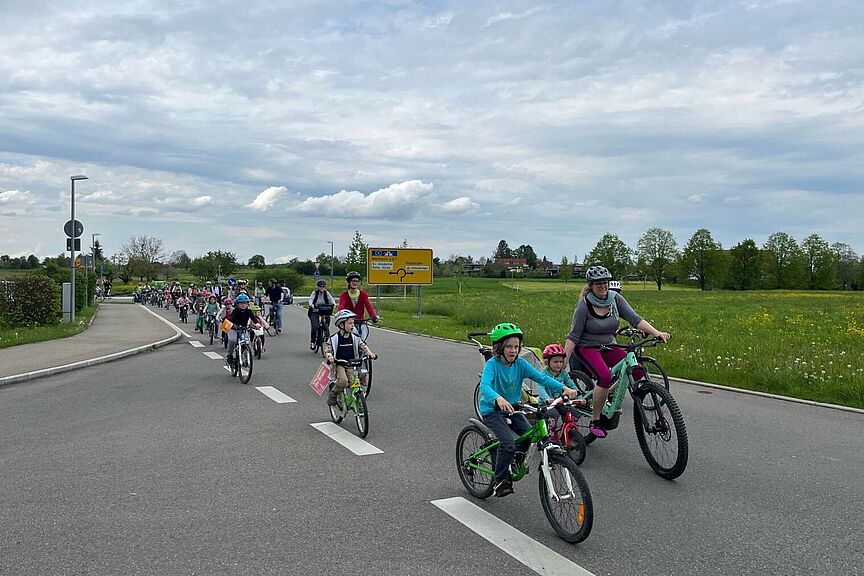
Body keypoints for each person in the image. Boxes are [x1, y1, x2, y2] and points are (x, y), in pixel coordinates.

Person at [563, 265, 670, 439]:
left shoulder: (615, 299)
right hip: (587, 347)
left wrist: (656, 332)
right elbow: (574, 335)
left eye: (605, 282)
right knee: (604, 376)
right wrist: (564, 360)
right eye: (598, 283)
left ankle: (607, 393)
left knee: (636, 370)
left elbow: (635, 319)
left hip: (609, 345)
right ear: (591, 285)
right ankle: (596, 420)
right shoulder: (584, 304)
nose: (603, 286)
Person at [478, 323, 579, 498]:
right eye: (508, 346)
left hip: (514, 408)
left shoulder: (520, 364)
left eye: (516, 346)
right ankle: (500, 481)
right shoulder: (492, 365)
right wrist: (498, 398)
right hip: (492, 409)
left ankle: (513, 457)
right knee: (508, 442)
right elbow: (485, 385)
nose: (513, 350)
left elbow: (542, 378)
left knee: (529, 435)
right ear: (499, 348)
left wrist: (563, 388)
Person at [324, 310, 378, 407]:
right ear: (341, 325)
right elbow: (327, 350)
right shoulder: (334, 338)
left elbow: (363, 345)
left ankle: (358, 402)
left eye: (353, 323)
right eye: (350, 323)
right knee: (343, 381)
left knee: (354, 383)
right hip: (339, 364)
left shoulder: (355, 337)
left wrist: (370, 353)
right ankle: (333, 394)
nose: (352, 325)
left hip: (351, 364)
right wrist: (330, 357)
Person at [337, 271, 379, 339]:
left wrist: (373, 316)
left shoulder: (363, 294)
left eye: (357, 281)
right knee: (350, 338)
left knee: (363, 339)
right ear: (349, 282)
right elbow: (341, 307)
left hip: (360, 321)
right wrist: (340, 315)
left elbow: (368, 306)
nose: (355, 283)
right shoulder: (344, 295)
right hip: (349, 321)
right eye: (353, 281)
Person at [224, 294, 261, 367]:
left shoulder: (248, 311)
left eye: (245, 303)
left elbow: (254, 319)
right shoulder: (235, 311)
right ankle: (229, 356)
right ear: (237, 304)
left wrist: (257, 324)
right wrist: (232, 325)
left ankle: (246, 357)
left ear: (247, 304)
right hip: (234, 329)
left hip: (243, 329)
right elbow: (230, 319)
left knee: (246, 342)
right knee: (232, 340)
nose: (243, 305)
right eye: (241, 303)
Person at [308, 279, 336, 350]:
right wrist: (311, 305)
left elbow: (331, 299)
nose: (322, 288)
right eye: (320, 286)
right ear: (318, 287)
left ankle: (325, 335)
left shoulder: (326, 293)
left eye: (323, 286)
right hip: (314, 311)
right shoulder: (314, 293)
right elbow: (311, 299)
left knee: (326, 324)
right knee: (315, 326)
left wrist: (334, 304)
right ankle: (313, 342)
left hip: (324, 311)